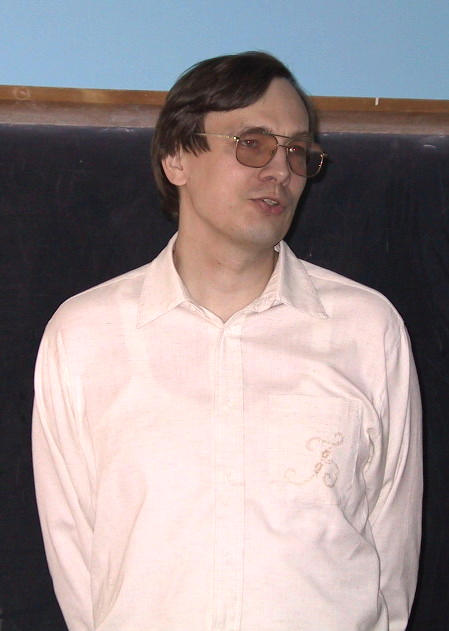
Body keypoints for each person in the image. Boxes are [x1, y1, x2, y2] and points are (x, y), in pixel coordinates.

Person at [32, 52, 422, 631]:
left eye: (297, 152)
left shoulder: (367, 329)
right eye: (253, 144)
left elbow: (392, 552)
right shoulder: (86, 336)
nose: (281, 171)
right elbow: (77, 561)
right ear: (176, 157)